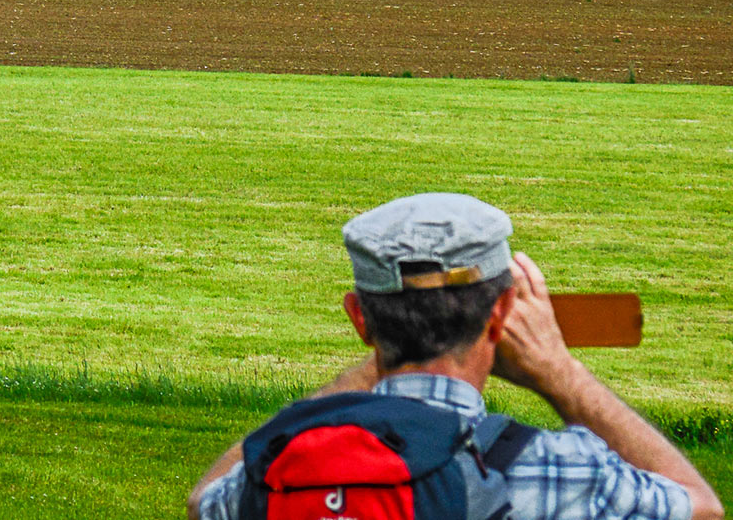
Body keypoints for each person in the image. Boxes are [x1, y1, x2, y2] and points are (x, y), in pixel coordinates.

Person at [188, 193, 723, 520]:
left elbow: (205, 500)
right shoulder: (547, 469)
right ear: (503, 311)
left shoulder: (281, 468)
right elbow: (698, 508)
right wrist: (560, 373)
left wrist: (380, 358)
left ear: (359, 318)